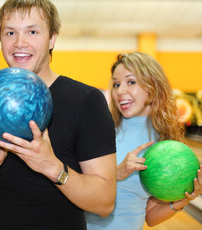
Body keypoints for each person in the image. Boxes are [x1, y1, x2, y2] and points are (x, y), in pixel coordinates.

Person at [0, 0, 117, 230]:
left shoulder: (87, 100)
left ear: (52, 38)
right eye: (10, 32)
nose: (20, 43)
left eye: (32, 31)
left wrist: (51, 166)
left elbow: (104, 202)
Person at [85, 52, 202, 230]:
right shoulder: (99, 129)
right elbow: (74, 184)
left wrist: (183, 199)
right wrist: (116, 173)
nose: (120, 91)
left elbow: (151, 217)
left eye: (131, 82)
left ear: (153, 87)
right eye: (116, 84)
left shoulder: (165, 144)